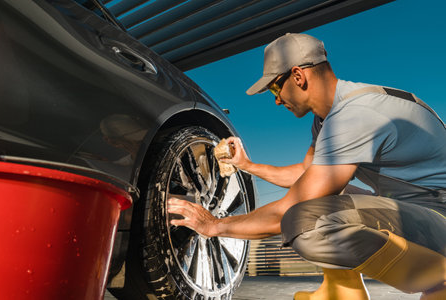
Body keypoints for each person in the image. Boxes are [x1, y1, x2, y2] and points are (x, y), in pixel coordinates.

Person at [168, 33, 446, 299]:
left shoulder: (354, 115)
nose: (276, 99)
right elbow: (307, 175)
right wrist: (247, 165)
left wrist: (215, 226)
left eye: (275, 87)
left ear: (298, 75)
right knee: (324, 197)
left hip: (438, 215)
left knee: (304, 221)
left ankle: (438, 279)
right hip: (418, 208)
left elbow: (292, 207)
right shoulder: (328, 118)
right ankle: (344, 291)